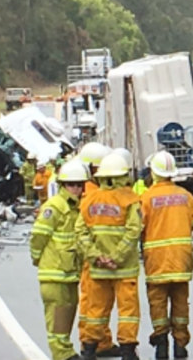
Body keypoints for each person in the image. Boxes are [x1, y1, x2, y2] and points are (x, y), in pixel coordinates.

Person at [76, 152, 143, 360]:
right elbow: (134, 230)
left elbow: (81, 231)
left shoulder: (89, 200)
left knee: (95, 312)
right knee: (128, 311)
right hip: (124, 269)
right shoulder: (131, 200)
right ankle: (128, 351)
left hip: (98, 269)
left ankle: (89, 349)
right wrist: (117, 257)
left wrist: (97, 256)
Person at [140, 152, 193, 360]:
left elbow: (138, 226)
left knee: (157, 302)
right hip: (181, 259)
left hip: (157, 260)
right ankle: (180, 344)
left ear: (154, 172)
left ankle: (161, 344)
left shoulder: (147, 197)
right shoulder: (185, 196)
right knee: (180, 303)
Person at [31, 159, 90, 360]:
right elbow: (39, 236)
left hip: (69, 273)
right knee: (57, 318)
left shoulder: (76, 207)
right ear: (63, 185)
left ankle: (65, 350)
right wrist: (38, 258)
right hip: (54, 274)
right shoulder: (55, 206)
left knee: (67, 314)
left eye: (79, 184)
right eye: (71, 184)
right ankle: (61, 354)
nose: (76, 188)